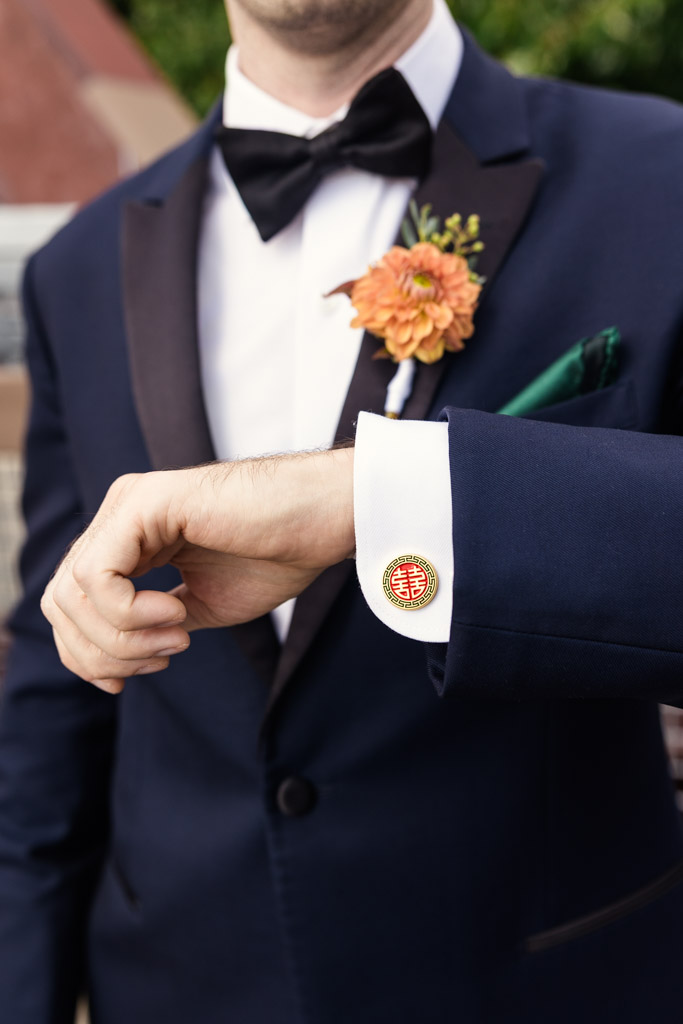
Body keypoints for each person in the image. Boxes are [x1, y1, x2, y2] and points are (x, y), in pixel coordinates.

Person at [3, 0, 683, 1020]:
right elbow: (52, 715)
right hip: (179, 983)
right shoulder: (77, 267)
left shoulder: (660, 177)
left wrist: (381, 494)